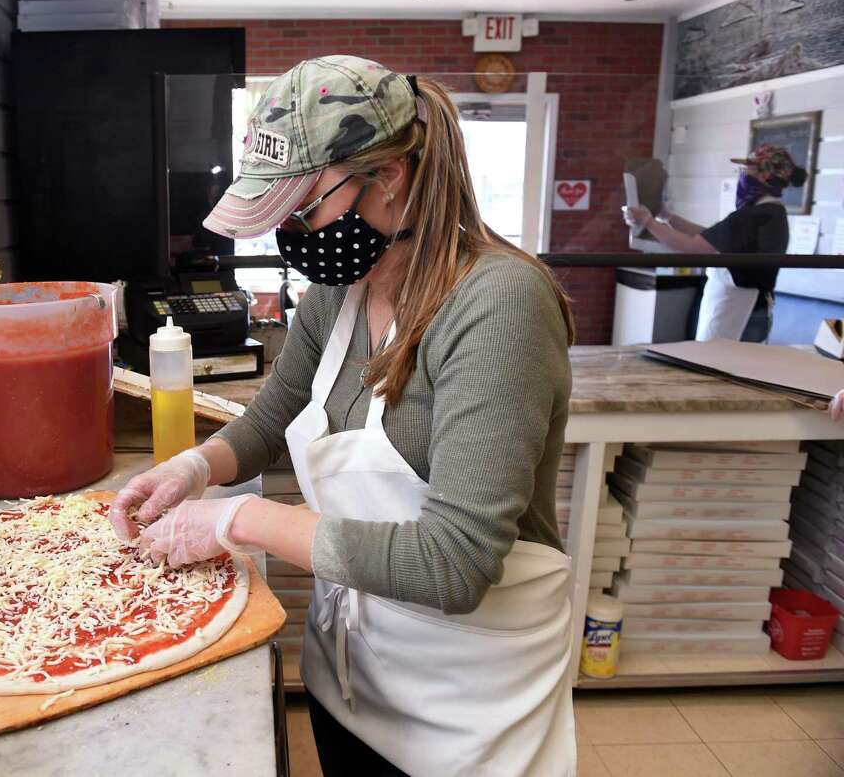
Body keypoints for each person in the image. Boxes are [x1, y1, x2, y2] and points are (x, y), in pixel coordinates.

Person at [109, 55, 578, 776]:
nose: (289, 236)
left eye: (302, 211)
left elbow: (455, 563)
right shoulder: (341, 289)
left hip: (470, 712)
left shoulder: (499, 305)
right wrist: (193, 467)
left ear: (388, 179)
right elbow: (272, 420)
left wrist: (235, 522)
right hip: (352, 674)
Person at [624, 144, 808, 342]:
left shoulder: (753, 216)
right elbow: (709, 237)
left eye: (747, 170)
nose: (742, 175)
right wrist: (667, 216)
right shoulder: (772, 213)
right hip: (754, 310)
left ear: (765, 176)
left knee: (719, 367)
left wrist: (648, 222)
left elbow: (693, 247)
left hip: (739, 311)